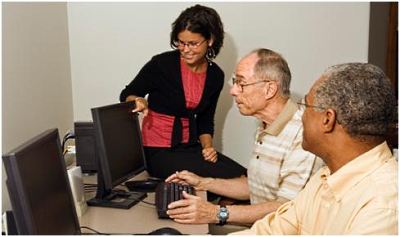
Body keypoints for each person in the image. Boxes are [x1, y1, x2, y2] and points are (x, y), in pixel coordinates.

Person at [165, 48, 323, 230]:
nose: (233, 91)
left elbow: (286, 208)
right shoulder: (266, 125)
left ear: (269, 89)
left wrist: (216, 213)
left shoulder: (302, 135)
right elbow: (256, 186)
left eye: (241, 83)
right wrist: (202, 182)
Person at [232, 63, 398, 235]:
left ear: (327, 120)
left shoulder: (383, 205)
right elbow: (272, 230)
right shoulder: (325, 176)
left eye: (306, 106)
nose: (301, 115)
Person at [119, 4, 246, 179]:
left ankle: (224, 205)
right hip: (157, 151)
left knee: (244, 176)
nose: (186, 49)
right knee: (229, 179)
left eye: (193, 43)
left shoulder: (215, 75)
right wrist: (137, 101)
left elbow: (205, 121)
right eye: (181, 43)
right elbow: (128, 93)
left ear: (209, 41)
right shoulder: (161, 64)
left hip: (190, 148)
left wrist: (208, 148)